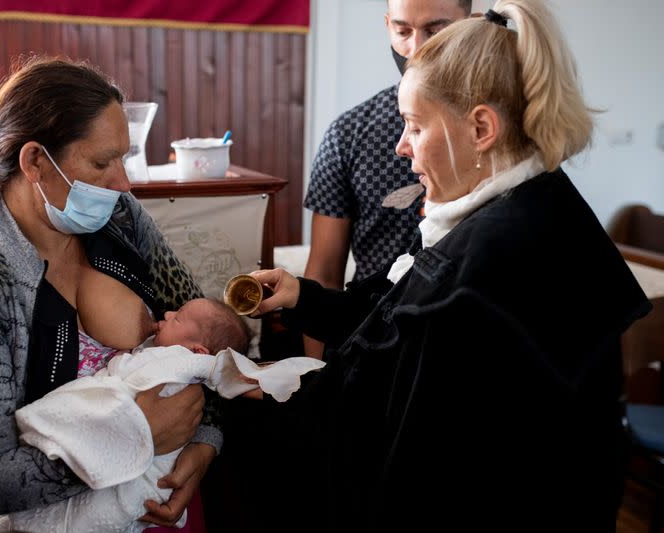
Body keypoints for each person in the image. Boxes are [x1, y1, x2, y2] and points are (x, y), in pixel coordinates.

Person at [248, 1, 652, 530]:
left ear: (481, 128)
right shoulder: (534, 202)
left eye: (415, 127)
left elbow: (398, 433)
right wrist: (306, 300)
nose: (402, 147)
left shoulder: (485, 266)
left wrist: (273, 393)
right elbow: (396, 324)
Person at [0, 57, 218, 533]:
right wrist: (133, 437)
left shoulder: (121, 221)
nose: (123, 183)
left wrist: (204, 443)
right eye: (102, 162)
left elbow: (205, 335)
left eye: (122, 158)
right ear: (36, 162)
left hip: (156, 499)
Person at [0, 297, 324, 533]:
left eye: (177, 317)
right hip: (106, 435)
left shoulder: (191, 362)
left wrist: (269, 381)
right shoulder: (156, 350)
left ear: (198, 351)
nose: (166, 311)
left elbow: (228, 372)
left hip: (152, 470)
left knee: (106, 511)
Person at [301, 0, 472, 357]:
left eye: (435, 30)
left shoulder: (504, 132)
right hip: (367, 334)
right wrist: (315, 378)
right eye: (403, 31)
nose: (418, 49)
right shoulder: (348, 134)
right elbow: (324, 271)